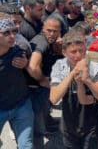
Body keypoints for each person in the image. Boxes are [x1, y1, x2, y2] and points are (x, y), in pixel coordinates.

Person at [50, 30, 98, 149]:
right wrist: (72, 73)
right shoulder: (59, 66)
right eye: (73, 52)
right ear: (64, 52)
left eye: (81, 50)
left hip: (90, 126)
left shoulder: (94, 67)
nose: (78, 55)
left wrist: (87, 80)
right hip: (68, 126)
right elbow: (54, 98)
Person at [27, 17, 62, 148]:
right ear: (43, 29)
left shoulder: (48, 41)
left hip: (38, 91)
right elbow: (33, 66)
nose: (52, 34)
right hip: (37, 91)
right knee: (37, 129)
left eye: (55, 31)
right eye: (49, 30)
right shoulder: (42, 43)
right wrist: (42, 79)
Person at [0, 16, 34, 149]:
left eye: (14, 31)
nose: (12, 36)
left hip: (21, 106)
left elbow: (34, 68)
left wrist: (26, 64)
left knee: (26, 145)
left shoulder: (18, 51)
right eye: (6, 32)